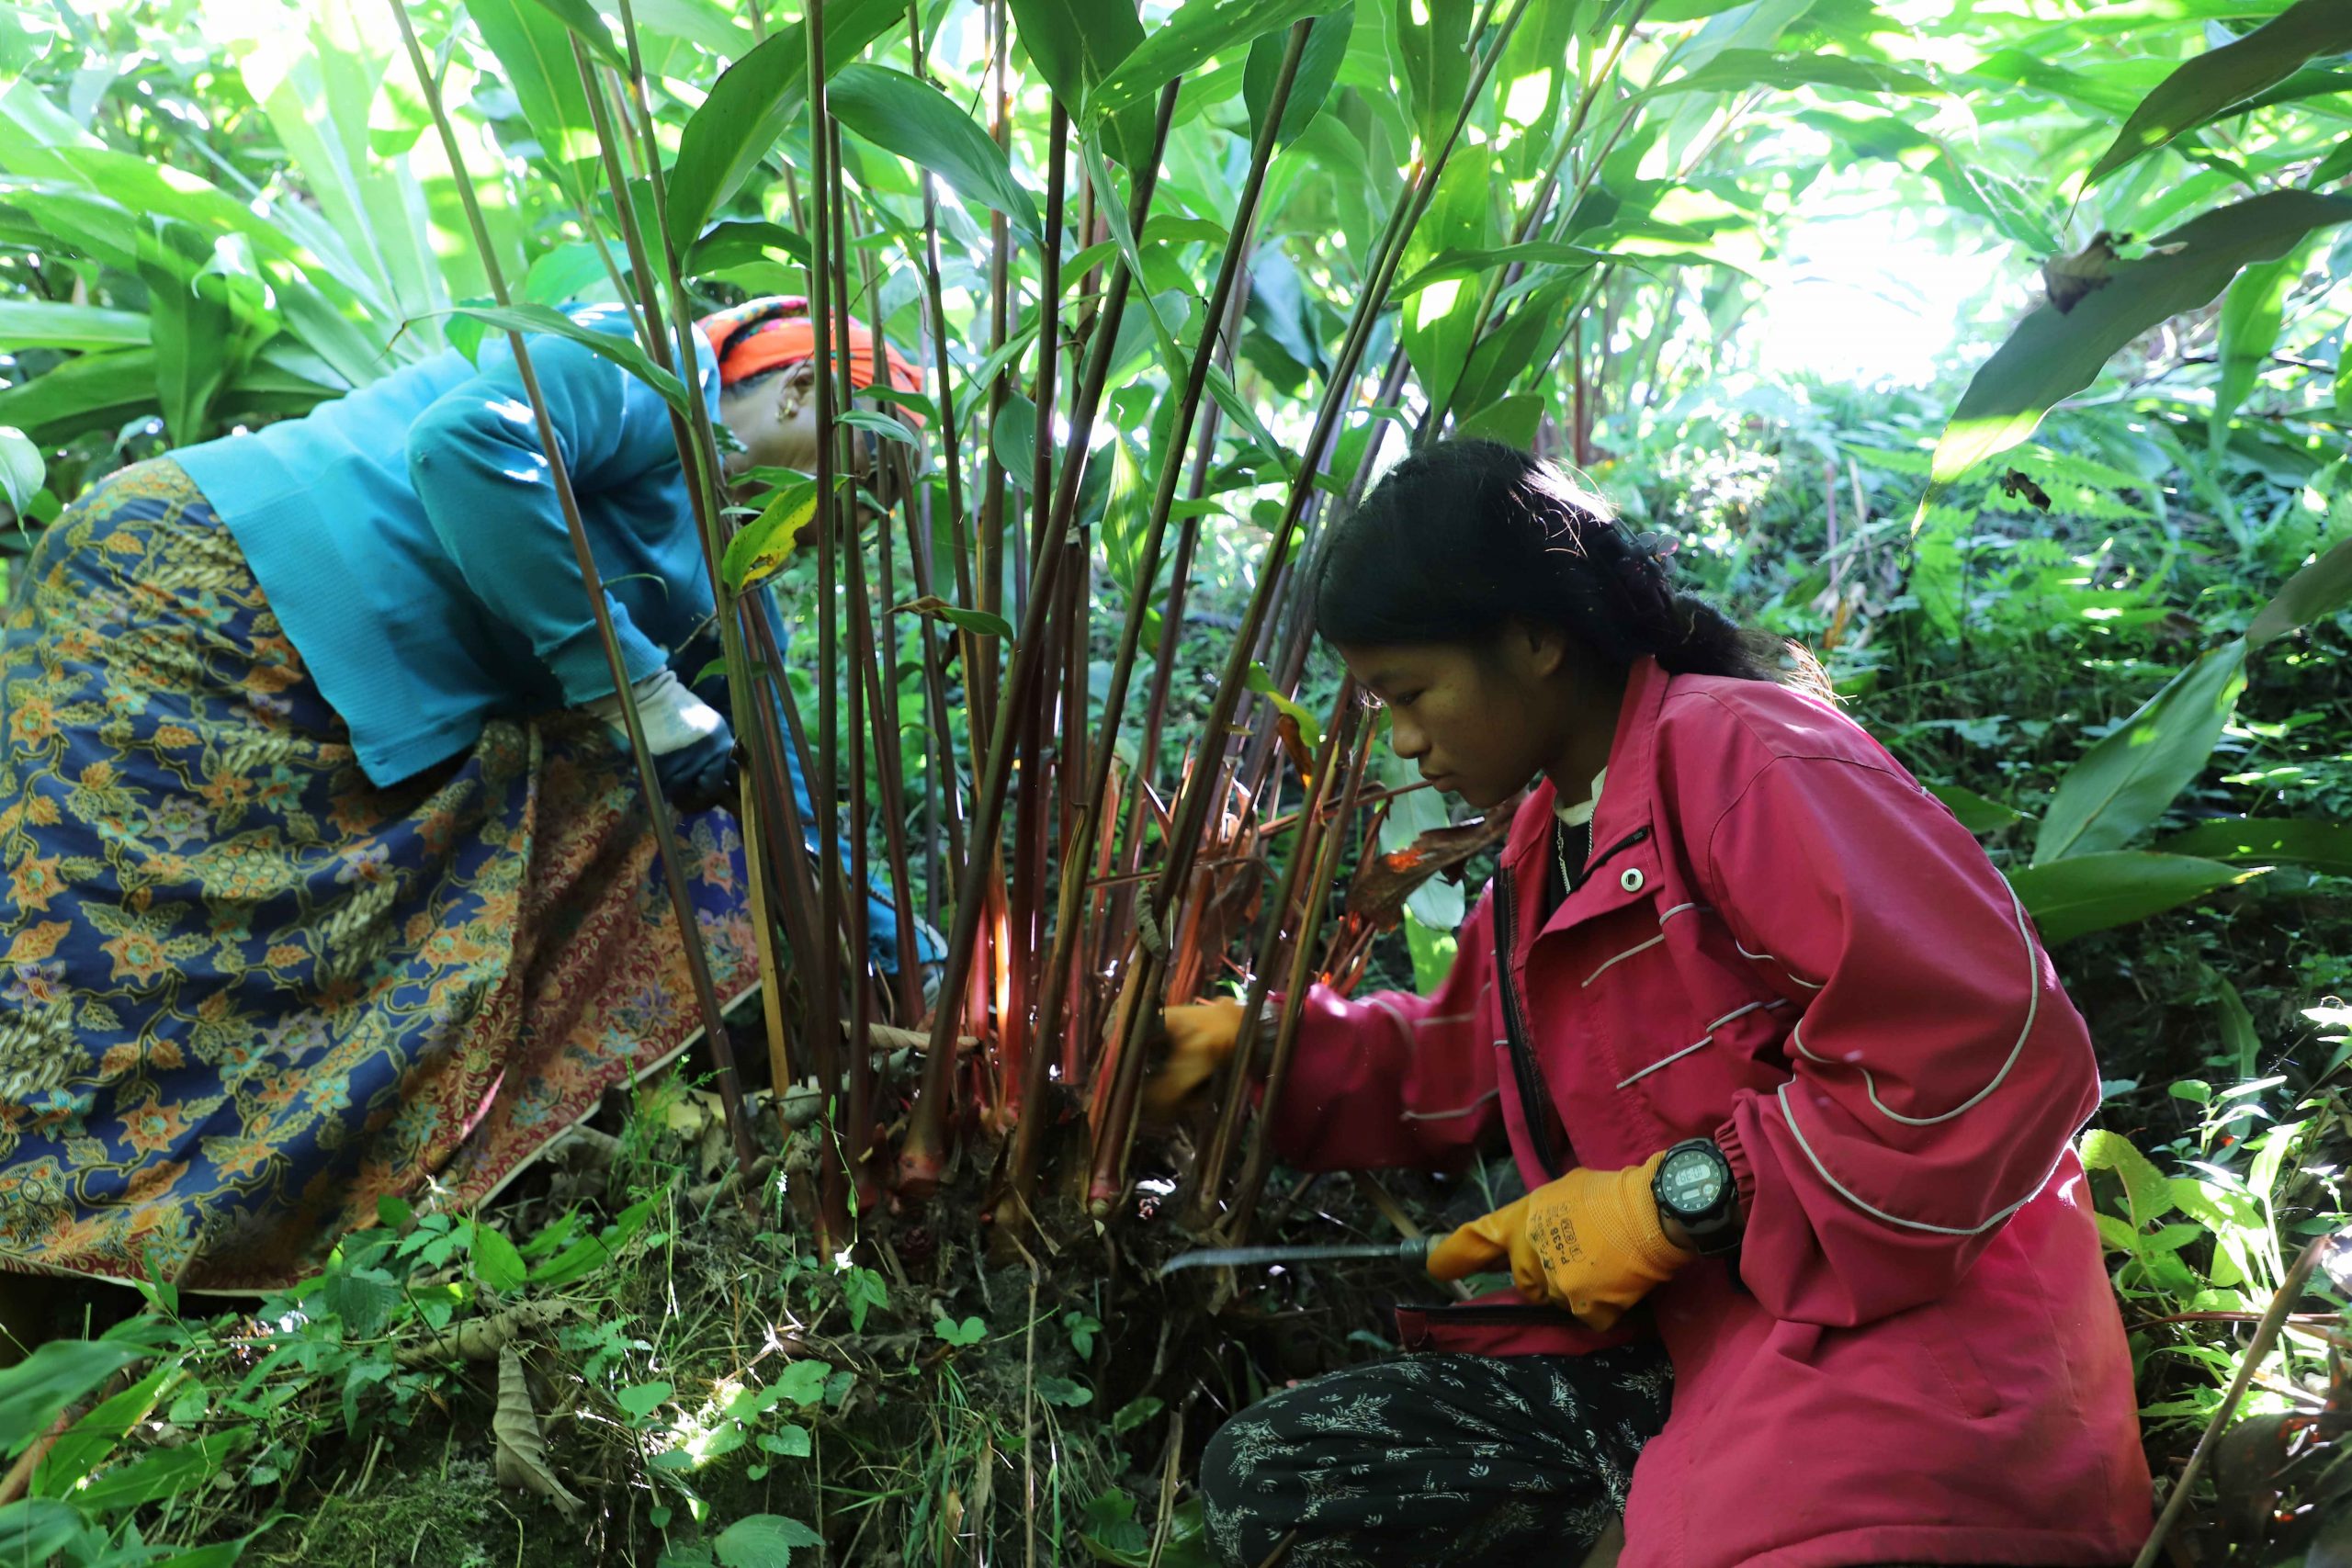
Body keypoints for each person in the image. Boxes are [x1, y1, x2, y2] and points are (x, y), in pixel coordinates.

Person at [1155, 441, 2151, 1568]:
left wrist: (1678, 1199)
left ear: (1533, 639)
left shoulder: (1747, 760)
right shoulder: (1546, 843)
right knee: (1284, 1476)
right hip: (1705, 1351)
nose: (1404, 741)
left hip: (1904, 1351)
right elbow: (1454, 1058)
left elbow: (1980, 1051)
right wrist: (1255, 1050)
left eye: (1411, 693)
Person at [0, 295, 925, 1314]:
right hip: (197, 594)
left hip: (300, 680)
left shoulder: (720, 577)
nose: (851, 530)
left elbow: (771, 816)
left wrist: (920, 961)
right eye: (867, 484)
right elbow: (467, 445)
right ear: (803, 390)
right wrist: (646, 692)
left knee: (166, 970)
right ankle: (57, 1229)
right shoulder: (652, 362)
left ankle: (122, 1259)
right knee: (97, 959)